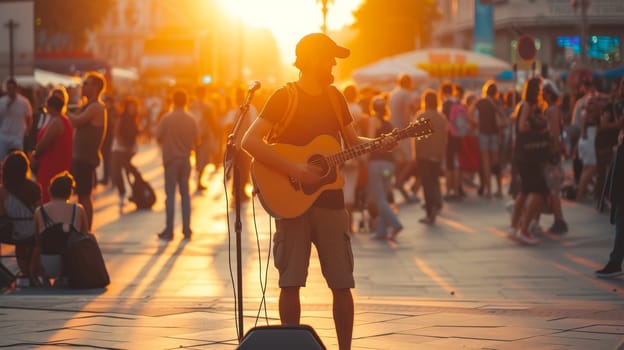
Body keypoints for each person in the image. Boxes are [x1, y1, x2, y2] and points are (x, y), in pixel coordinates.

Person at [242, 33, 396, 350]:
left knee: (342, 282)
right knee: (290, 282)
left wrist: (381, 143)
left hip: (331, 200)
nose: (334, 63)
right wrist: (295, 170)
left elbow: (352, 144)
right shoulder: (284, 97)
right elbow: (250, 142)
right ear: (312, 59)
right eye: (329, 57)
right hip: (290, 202)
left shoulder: (335, 98)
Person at [155, 89, 198, 241]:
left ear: (173, 101)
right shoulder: (191, 119)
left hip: (171, 160)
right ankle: (186, 229)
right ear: (186, 102)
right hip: (186, 160)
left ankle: (169, 230)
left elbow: (158, 136)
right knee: (185, 195)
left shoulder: (167, 118)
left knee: (170, 196)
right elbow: (197, 139)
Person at [68, 71, 108, 231]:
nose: (83, 86)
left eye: (87, 84)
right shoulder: (87, 105)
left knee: (84, 196)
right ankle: (82, 227)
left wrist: (62, 109)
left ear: (96, 87)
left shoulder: (97, 107)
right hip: (80, 158)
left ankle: (87, 230)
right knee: (81, 197)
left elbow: (77, 121)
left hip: (86, 159)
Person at [32, 171, 89, 284]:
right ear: (70, 192)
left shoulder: (40, 211)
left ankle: (40, 276)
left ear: (50, 190)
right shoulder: (78, 209)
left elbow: (37, 241)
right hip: (72, 264)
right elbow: (85, 237)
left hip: (47, 263)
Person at [511, 77, 549, 245]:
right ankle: (524, 229)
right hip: (529, 154)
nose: (541, 92)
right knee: (538, 190)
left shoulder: (526, 105)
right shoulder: (527, 105)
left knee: (525, 190)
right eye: (540, 88)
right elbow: (521, 127)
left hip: (524, 154)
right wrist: (538, 127)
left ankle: (515, 226)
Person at [0, 151, 41, 284]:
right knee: (29, 240)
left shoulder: (3, 191)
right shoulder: (34, 187)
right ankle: (30, 272)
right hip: (34, 232)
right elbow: (39, 211)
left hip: (13, 233)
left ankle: (24, 271)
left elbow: (2, 214)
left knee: (19, 239)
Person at [366, 96, 402, 239]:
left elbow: (370, 142)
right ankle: (382, 230)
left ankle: (395, 224)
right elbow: (396, 145)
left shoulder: (372, 121)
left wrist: (363, 160)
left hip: (376, 163)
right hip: (389, 164)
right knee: (384, 198)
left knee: (378, 198)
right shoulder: (389, 124)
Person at [32, 95, 73, 204]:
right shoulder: (65, 120)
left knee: (46, 195)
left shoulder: (56, 121)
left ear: (50, 106)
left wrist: (35, 154)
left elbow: (44, 142)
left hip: (51, 164)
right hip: (60, 162)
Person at [415, 89, 448, 224]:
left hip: (424, 155)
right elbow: (445, 139)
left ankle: (430, 211)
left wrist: (416, 155)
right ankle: (436, 204)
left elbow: (416, 138)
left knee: (427, 184)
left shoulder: (421, 116)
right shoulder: (442, 118)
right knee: (435, 182)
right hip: (437, 155)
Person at [541, 80, 568, 234]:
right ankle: (558, 219)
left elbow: (554, 134)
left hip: (552, 155)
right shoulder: (554, 110)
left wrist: (553, 153)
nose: (542, 95)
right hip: (554, 154)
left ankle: (559, 220)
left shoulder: (551, 110)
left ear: (549, 94)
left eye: (544, 93)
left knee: (553, 189)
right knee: (552, 189)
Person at [470, 80, 505, 198]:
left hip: (483, 132)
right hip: (494, 133)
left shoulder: (480, 101)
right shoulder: (497, 102)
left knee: (485, 162)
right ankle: (499, 188)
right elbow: (502, 118)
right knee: (495, 161)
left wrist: (475, 123)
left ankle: (489, 190)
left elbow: (469, 113)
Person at [389, 74, 417, 202]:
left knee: (398, 161)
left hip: (393, 130)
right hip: (403, 132)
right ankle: (399, 183)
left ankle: (396, 184)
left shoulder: (394, 93)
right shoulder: (406, 94)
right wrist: (409, 128)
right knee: (410, 160)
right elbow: (406, 113)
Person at [111, 96, 142, 213]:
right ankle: (123, 194)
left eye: (134, 107)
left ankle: (134, 192)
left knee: (129, 172)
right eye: (131, 107)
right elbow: (116, 133)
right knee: (118, 173)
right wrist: (125, 145)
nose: (133, 109)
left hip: (128, 150)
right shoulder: (122, 118)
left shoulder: (135, 119)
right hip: (119, 149)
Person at [189, 86, 218, 191]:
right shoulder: (207, 107)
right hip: (204, 137)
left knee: (198, 159)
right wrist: (216, 132)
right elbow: (213, 122)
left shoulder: (191, 106)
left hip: (195, 137)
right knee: (204, 159)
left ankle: (198, 180)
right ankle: (199, 181)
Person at [0, 78, 33, 161]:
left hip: (17, 136)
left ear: (16, 89)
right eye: (8, 89)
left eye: (12, 88)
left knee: (18, 160)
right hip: (4, 136)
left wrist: (26, 131)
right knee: (2, 160)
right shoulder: (2, 101)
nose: (10, 91)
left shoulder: (24, 102)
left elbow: (29, 118)